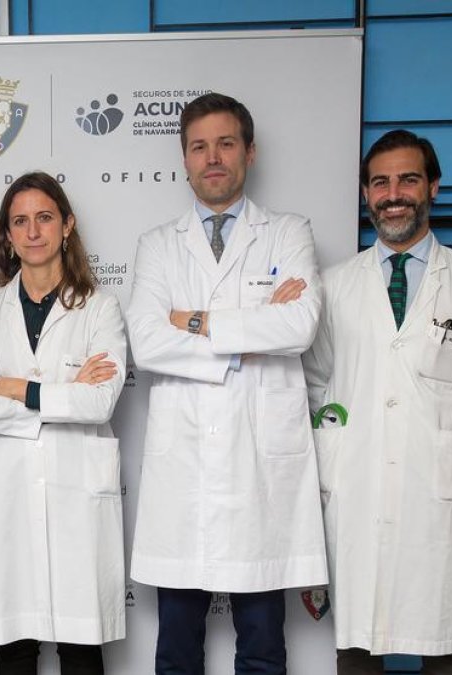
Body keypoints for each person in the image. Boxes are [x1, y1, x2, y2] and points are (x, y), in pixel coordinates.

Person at [125, 92, 328, 675]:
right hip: (184, 473)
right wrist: (246, 339)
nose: (212, 157)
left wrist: (193, 321)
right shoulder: (158, 245)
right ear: (184, 160)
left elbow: (298, 325)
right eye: (199, 146)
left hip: (259, 476)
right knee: (176, 651)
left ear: (250, 152)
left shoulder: (288, 232)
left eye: (225, 143)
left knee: (263, 648)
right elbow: (147, 341)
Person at [303, 130, 452, 675]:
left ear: (434, 187)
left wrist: (439, 439)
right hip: (357, 489)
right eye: (380, 182)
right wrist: (349, 442)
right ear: (366, 194)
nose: (393, 193)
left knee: (444, 649)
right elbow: (318, 385)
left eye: (407, 179)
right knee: (358, 649)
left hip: (437, 491)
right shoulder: (334, 286)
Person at [0, 172, 127, 674]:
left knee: (80, 647)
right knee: (14, 648)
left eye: (45, 218)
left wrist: (20, 388)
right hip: (10, 487)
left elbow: (99, 404)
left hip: (77, 487)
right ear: (7, 235)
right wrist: (64, 393)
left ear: (67, 225)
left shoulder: (100, 308)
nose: (33, 231)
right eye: (20, 221)